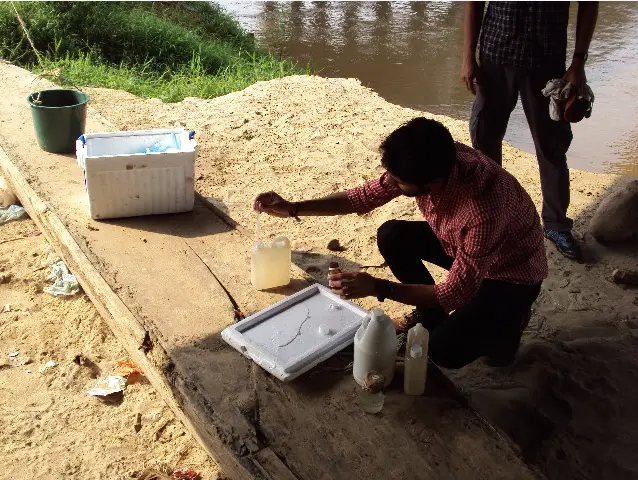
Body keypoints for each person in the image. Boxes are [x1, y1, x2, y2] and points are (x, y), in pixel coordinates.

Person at [254, 118, 547, 369]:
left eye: (397, 181)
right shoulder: (435, 157)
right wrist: (293, 208)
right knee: (392, 234)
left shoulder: (482, 209)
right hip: (462, 246)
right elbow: (362, 197)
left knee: (443, 351)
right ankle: (430, 315)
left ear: (432, 183)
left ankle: (510, 323)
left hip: (510, 274)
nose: (389, 184)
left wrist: (380, 287)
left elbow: (456, 292)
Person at [460, 1, 599, 261]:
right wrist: (468, 56)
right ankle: (491, 220)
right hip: (495, 59)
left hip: (546, 63)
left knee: (552, 147)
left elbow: (589, 5)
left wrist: (578, 63)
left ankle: (556, 225)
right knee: (485, 143)